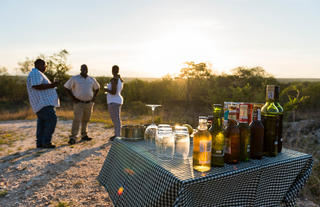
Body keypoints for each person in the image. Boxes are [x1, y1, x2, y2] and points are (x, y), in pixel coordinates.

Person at [26, 59, 60, 148]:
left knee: (42, 123)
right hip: (43, 103)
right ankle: (46, 142)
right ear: (39, 65)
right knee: (52, 119)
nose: (45, 67)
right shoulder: (35, 73)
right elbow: (36, 86)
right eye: (45, 65)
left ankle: (40, 142)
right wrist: (52, 85)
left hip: (42, 104)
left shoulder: (37, 73)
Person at [64, 64, 100, 145]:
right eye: (83, 69)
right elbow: (66, 87)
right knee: (77, 120)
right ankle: (73, 137)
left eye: (86, 69)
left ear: (87, 69)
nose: (84, 70)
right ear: (80, 69)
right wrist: (73, 98)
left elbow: (97, 88)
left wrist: (94, 97)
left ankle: (84, 135)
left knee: (86, 120)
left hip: (89, 103)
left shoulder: (91, 79)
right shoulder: (74, 78)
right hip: (78, 103)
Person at [105, 65, 124, 141]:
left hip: (114, 101)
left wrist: (106, 90)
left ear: (112, 71)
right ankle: (117, 134)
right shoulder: (120, 79)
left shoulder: (114, 80)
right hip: (117, 100)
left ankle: (118, 136)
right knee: (117, 119)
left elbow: (113, 92)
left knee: (116, 120)